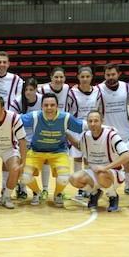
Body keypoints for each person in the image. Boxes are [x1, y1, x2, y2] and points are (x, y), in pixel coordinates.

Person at [20, 93, 84, 207]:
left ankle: (57, 194)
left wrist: (105, 128)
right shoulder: (34, 116)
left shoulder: (65, 118)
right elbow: (14, 119)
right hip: (36, 151)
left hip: (58, 152)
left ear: (57, 106)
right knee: (24, 176)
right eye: (46, 105)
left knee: (64, 178)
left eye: (52, 105)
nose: (49, 108)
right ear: (42, 106)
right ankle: (37, 192)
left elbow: (83, 126)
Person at [69, 111, 129, 212]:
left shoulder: (111, 135)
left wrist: (106, 167)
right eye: (90, 121)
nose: (93, 124)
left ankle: (113, 196)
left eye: (96, 121)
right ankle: (95, 192)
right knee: (74, 178)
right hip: (96, 172)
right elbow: (80, 146)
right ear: (87, 123)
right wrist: (66, 134)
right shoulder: (85, 136)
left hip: (113, 173)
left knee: (102, 174)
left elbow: (127, 156)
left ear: (102, 121)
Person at [96, 64, 129, 193]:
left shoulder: (127, 87)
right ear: (104, 75)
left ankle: (128, 184)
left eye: (113, 74)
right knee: (108, 159)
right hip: (107, 131)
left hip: (125, 130)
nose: (110, 77)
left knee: (127, 158)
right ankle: (105, 185)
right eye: (108, 75)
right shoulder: (99, 89)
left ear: (118, 74)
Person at [66, 66, 102, 199]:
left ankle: (88, 184)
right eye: (82, 77)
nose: (85, 79)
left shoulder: (97, 92)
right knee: (77, 157)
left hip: (91, 128)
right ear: (78, 77)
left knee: (88, 158)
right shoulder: (72, 92)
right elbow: (68, 111)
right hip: (77, 128)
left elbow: (99, 110)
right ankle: (79, 188)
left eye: (87, 77)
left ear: (92, 77)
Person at [38, 67, 69, 196]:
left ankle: (59, 192)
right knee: (45, 159)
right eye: (56, 77)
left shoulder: (67, 89)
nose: (59, 79)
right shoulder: (43, 90)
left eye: (61, 77)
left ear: (65, 78)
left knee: (59, 161)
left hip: (61, 129)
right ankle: (45, 189)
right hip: (45, 128)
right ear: (51, 78)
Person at [10, 78, 42, 200]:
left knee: (34, 169)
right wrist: (33, 117)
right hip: (21, 139)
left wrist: (26, 118)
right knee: (20, 166)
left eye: (31, 89)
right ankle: (22, 188)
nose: (28, 92)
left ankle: (41, 189)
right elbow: (14, 121)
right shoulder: (17, 102)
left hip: (37, 139)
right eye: (26, 90)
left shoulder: (42, 100)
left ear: (36, 89)